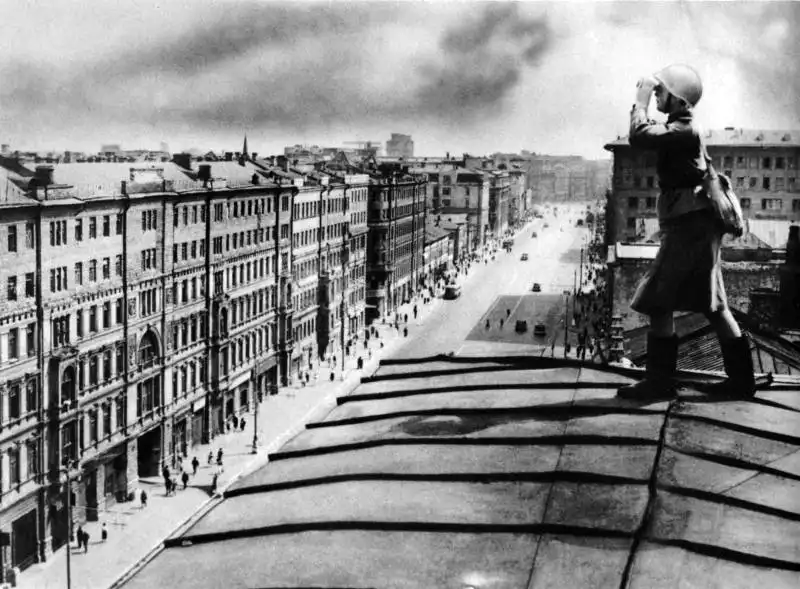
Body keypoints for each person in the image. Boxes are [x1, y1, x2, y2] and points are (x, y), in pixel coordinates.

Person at [617, 64, 755, 400]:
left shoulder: (683, 131)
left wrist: (640, 98)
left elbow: (638, 136)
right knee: (713, 303)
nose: (658, 96)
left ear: (678, 99)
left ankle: (660, 382)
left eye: (662, 92)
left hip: (689, 226)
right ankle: (741, 381)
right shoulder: (683, 127)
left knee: (657, 299)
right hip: (693, 224)